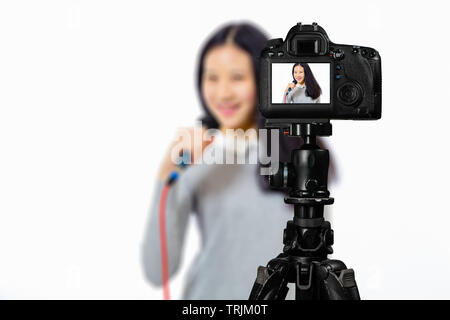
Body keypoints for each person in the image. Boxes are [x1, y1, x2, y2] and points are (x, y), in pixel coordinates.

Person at [141, 22, 334, 300]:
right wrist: (166, 176)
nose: (223, 93)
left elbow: (316, 256)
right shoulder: (193, 157)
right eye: (212, 77)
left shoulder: (295, 150)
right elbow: (156, 271)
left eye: (237, 77)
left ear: (263, 79)